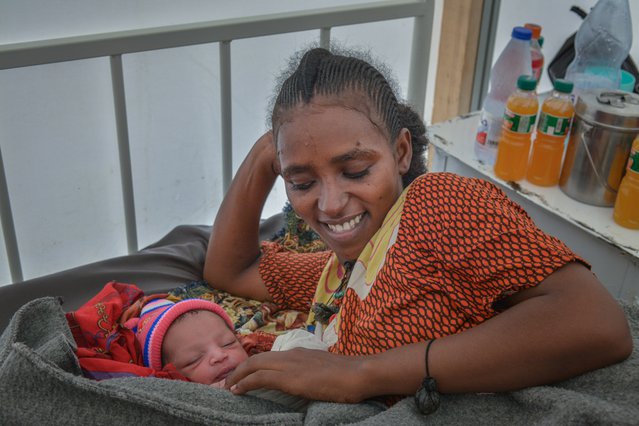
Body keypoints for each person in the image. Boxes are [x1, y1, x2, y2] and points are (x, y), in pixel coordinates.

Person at [203, 46, 632, 408]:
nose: (330, 205)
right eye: (302, 182)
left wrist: (362, 374)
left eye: (355, 170)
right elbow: (229, 271)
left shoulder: (438, 206)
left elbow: (597, 323)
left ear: (402, 152)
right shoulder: (342, 275)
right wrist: (267, 152)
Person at [134, 298, 325, 409]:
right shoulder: (186, 402)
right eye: (194, 359)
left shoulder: (265, 357)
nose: (219, 355)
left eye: (228, 343)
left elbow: (310, 350)